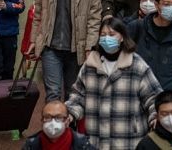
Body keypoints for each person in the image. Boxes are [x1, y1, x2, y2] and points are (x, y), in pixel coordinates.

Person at [66, 17, 162, 149]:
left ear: (122, 37)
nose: (107, 38)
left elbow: (154, 97)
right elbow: (78, 96)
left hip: (128, 140)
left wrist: (156, 117)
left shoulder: (137, 65)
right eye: (103, 35)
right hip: (96, 140)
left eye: (112, 34)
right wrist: (69, 113)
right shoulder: (90, 66)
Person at [27, 0, 102, 102]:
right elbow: (38, 10)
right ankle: (53, 126)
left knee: (72, 95)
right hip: (50, 46)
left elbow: (94, 15)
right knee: (53, 94)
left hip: (76, 48)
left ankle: (70, 128)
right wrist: (34, 39)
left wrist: (90, 45)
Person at [23, 100, 97, 150]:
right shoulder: (31, 146)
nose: (53, 122)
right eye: (48, 117)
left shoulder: (82, 145)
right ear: (42, 121)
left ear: (67, 121)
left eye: (59, 117)